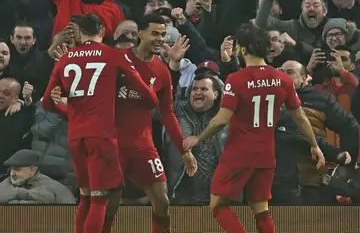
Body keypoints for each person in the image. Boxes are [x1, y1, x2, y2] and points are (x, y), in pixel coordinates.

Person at [183, 23, 326, 233]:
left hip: (238, 154)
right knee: (261, 210)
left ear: (242, 49)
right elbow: (300, 116)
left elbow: (221, 119)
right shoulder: (282, 79)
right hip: (266, 154)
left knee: (218, 205)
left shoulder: (236, 79)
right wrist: (315, 145)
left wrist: (198, 137)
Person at [42, 13, 158, 233]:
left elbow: (48, 102)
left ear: (78, 32)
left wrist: (66, 109)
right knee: (99, 200)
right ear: (103, 31)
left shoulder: (65, 58)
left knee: (85, 198)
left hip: (76, 137)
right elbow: (151, 98)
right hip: (101, 136)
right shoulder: (112, 55)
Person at [113, 13, 198, 233]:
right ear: (139, 34)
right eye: (155, 33)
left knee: (162, 200)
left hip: (143, 145)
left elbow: (167, 113)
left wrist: (184, 149)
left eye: (163, 34)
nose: (160, 38)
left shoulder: (162, 71)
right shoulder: (117, 59)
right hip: (112, 144)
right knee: (107, 204)